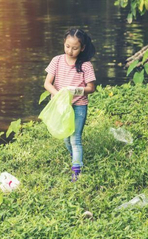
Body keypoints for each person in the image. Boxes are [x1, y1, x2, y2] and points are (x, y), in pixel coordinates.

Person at [44, 28, 97, 182]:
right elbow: (47, 83)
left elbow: (91, 88)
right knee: (67, 139)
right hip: (61, 106)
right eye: (67, 46)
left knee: (75, 139)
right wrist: (57, 94)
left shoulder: (85, 65)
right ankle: (75, 156)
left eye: (75, 48)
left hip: (78, 105)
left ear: (82, 48)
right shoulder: (57, 60)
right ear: (64, 44)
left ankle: (76, 172)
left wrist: (75, 90)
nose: (70, 51)